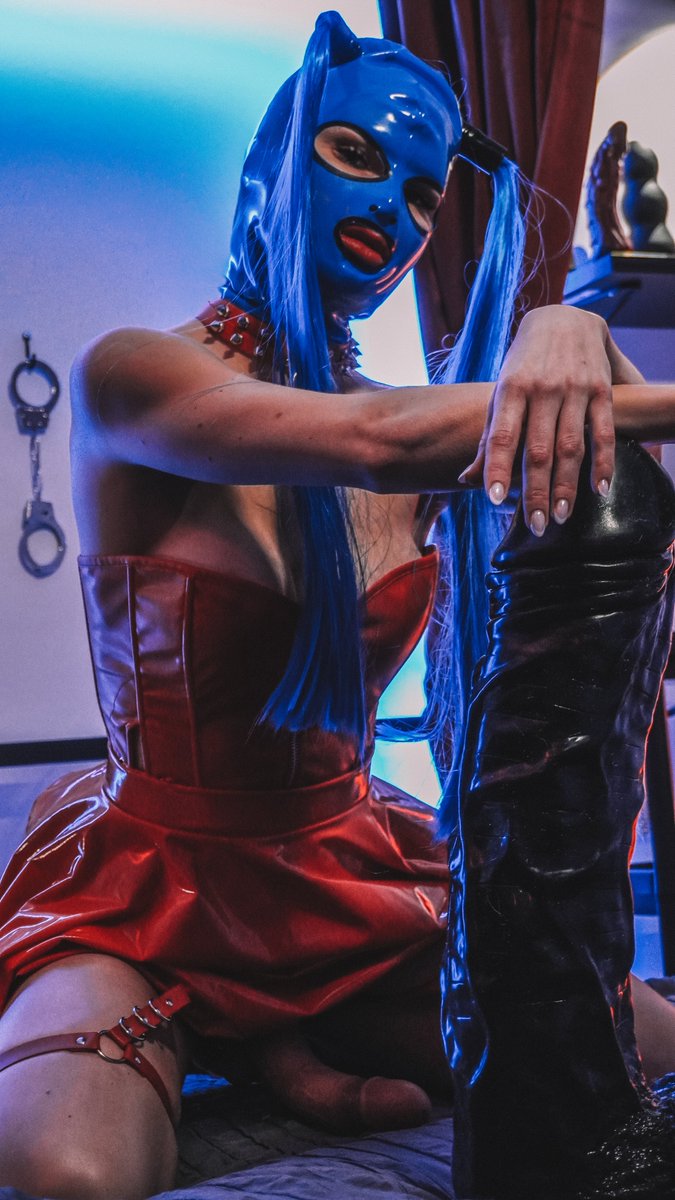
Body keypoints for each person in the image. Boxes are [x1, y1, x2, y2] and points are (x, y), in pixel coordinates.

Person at [0, 11, 675, 1200]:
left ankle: (284, 1034)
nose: (395, 214)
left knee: (644, 1048)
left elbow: (569, 476)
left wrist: (567, 320)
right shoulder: (133, 372)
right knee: (71, 1175)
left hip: (343, 875)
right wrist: (597, 360)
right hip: (152, 879)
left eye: (423, 197)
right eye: (357, 155)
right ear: (274, 160)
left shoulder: (426, 431)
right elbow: (373, 440)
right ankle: (252, 1033)